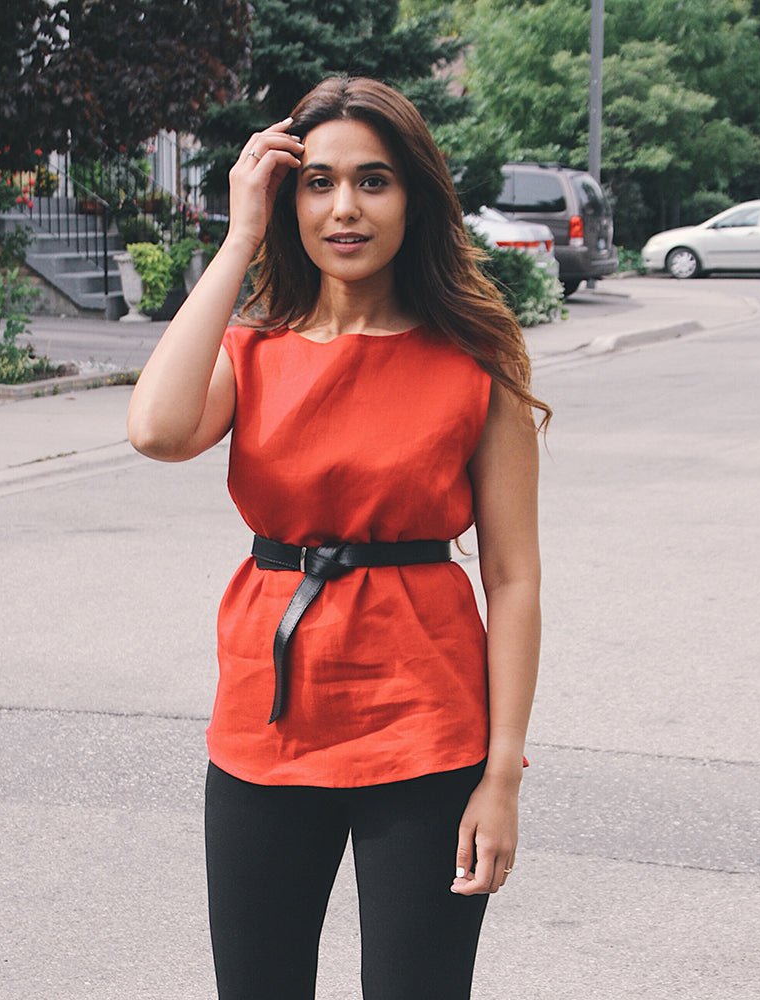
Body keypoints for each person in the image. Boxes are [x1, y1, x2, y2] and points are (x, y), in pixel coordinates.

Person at [127, 76, 548, 1000]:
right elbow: (156, 431)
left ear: (414, 198)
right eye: (317, 182)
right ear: (289, 199)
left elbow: (514, 578)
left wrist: (502, 776)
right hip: (267, 722)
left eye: (373, 181)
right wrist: (239, 237)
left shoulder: (475, 360)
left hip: (429, 732)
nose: (344, 208)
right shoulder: (253, 350)